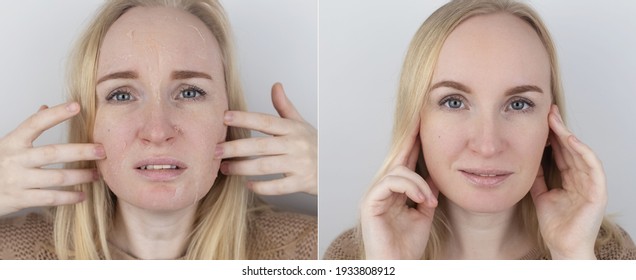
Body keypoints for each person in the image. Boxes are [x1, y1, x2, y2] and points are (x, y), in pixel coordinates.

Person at [0, 0, 316, 259]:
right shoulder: (12, 253)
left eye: (190, 92)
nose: (157, 130)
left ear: (228, 117)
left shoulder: (312, 252)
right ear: (89, 124)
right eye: (121, 95)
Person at [325, 0, 635, 260]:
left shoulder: (607, 256)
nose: (487, 145)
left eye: (518, 104)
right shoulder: (353, 257)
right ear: (416, 119)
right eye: (454, 102)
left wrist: (573, 258)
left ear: (552, 128)